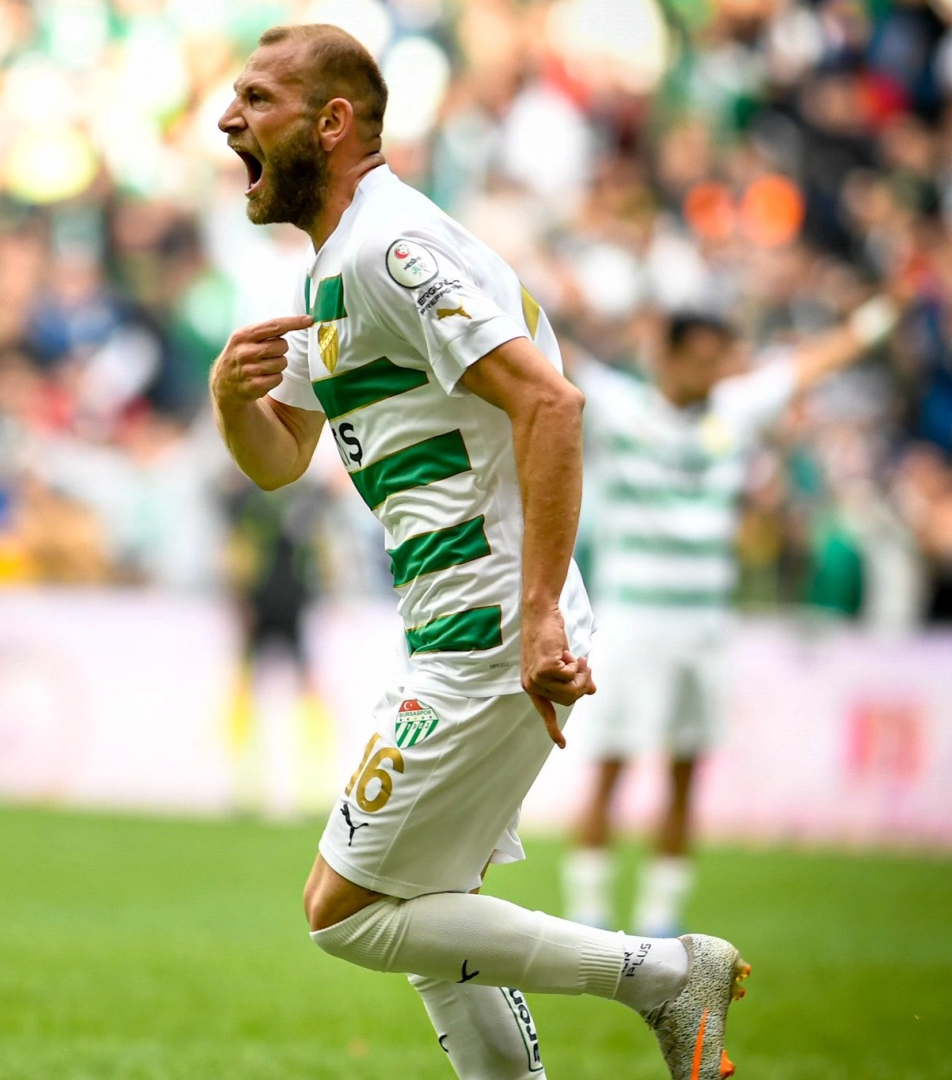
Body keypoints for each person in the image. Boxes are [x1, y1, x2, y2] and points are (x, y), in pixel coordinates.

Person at [208, 24, 749, 1080]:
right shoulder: (334, 270)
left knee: (345, 911)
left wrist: (537, 611)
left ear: (333, 123)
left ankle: (663, 972)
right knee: (426, 911)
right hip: (456, 623)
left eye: (258, 99)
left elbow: (551, 404)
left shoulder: (390, 249)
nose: (230, 119)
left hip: (490, 624)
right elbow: (280, 460)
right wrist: (232, 403)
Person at [561, 302, 898, 938]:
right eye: (702, 359)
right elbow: (555, 353)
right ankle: (588, 912)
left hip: (704, 625)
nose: (714, 371)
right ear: (667, 356)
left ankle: (661, 917)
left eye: (721, 359)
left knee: (686, 767)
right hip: (629, 620)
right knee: (610, 763)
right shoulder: (619, 406)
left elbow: (806, 366)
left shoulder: (733, 411)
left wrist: (879, 318)